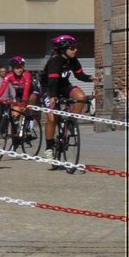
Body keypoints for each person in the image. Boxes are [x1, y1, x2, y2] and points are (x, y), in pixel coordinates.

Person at [39, 34, 93, 163]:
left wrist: (91, 78)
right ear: (63, 49)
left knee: (81, 97)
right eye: (72, 48)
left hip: (64, 86)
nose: (75, 50)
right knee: (52, 118)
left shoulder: (73, 60)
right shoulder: (54, 61)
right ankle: (49, 148)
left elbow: (80, 75)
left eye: (75, 47)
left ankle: (71, 122)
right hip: (50, 88)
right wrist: (53, 96)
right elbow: (52, 81)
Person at [0, 56, 37, 142]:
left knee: (29, 103)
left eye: (21, 67)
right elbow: (2, 88)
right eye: (17, 68)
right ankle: (16, 132)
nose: (20, 70)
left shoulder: (26, 74)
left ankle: (29, 121)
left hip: (30, 91)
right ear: (13, 68)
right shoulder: (9, 75)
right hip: (19, 92)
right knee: (14, 114)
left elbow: (26, 90)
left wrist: (24, 101)